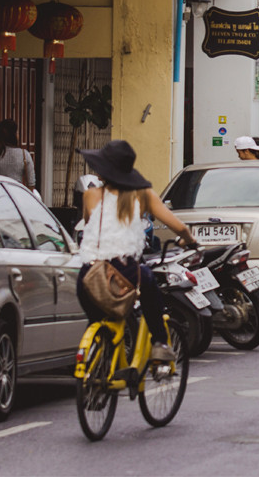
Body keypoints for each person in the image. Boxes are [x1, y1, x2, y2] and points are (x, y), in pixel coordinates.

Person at [76, 140, 198, 363]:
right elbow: (179, 227)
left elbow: (90, 226)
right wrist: (189, 241)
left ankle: (99, 358)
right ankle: (160, 343)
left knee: (96, 320)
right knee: (150, 285)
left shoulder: (90, 196)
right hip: (124, 269)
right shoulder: (143, 195)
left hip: (88, 272)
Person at [0, 119, 35, 190]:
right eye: (17, 132)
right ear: (14, 135)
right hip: (16, 197)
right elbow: (31, 183)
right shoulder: (24, 155)